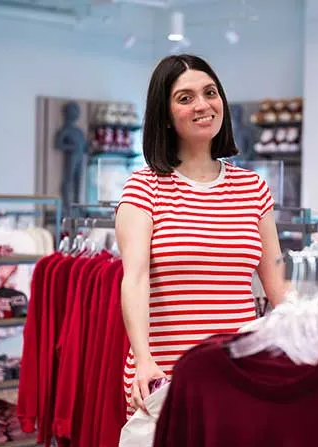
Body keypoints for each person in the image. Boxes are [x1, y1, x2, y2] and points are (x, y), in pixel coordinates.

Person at [114, 54, 289, 416]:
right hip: (165, 376)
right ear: (164, 114)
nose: (202, 105)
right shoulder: (144, 187)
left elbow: (277, 283)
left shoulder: (253, 188)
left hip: (239, 371)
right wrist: (143, 360)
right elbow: (135, 280)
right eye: (185, 98)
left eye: (210, 92)